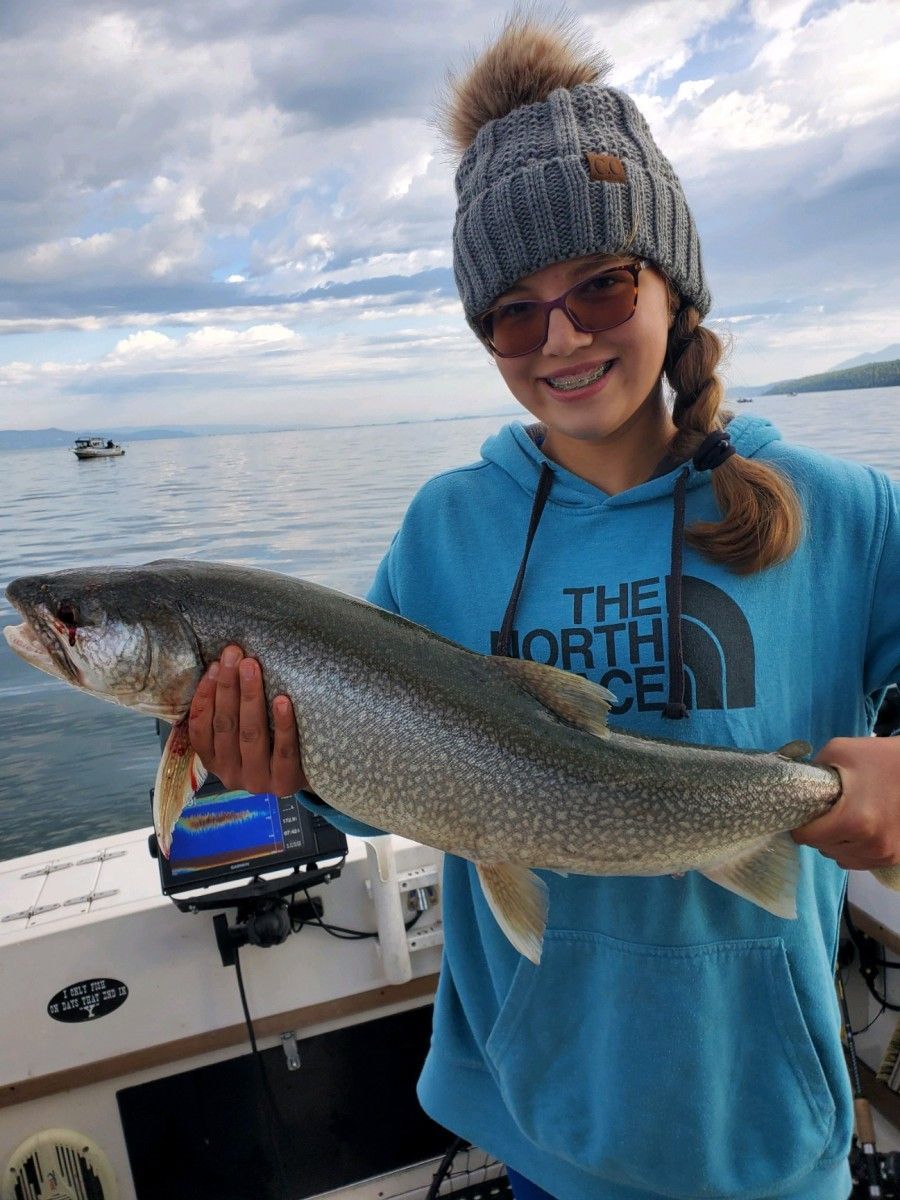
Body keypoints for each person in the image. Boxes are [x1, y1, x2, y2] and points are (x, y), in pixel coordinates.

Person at [187, 16, 900, 1200]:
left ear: (671, 283)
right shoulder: (445, 530)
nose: (561, 337)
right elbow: (358, 759)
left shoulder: (841, 513)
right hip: (541, 1125)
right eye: (514, 311)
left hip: (769, 1136)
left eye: (602, 286)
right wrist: (275, 767)